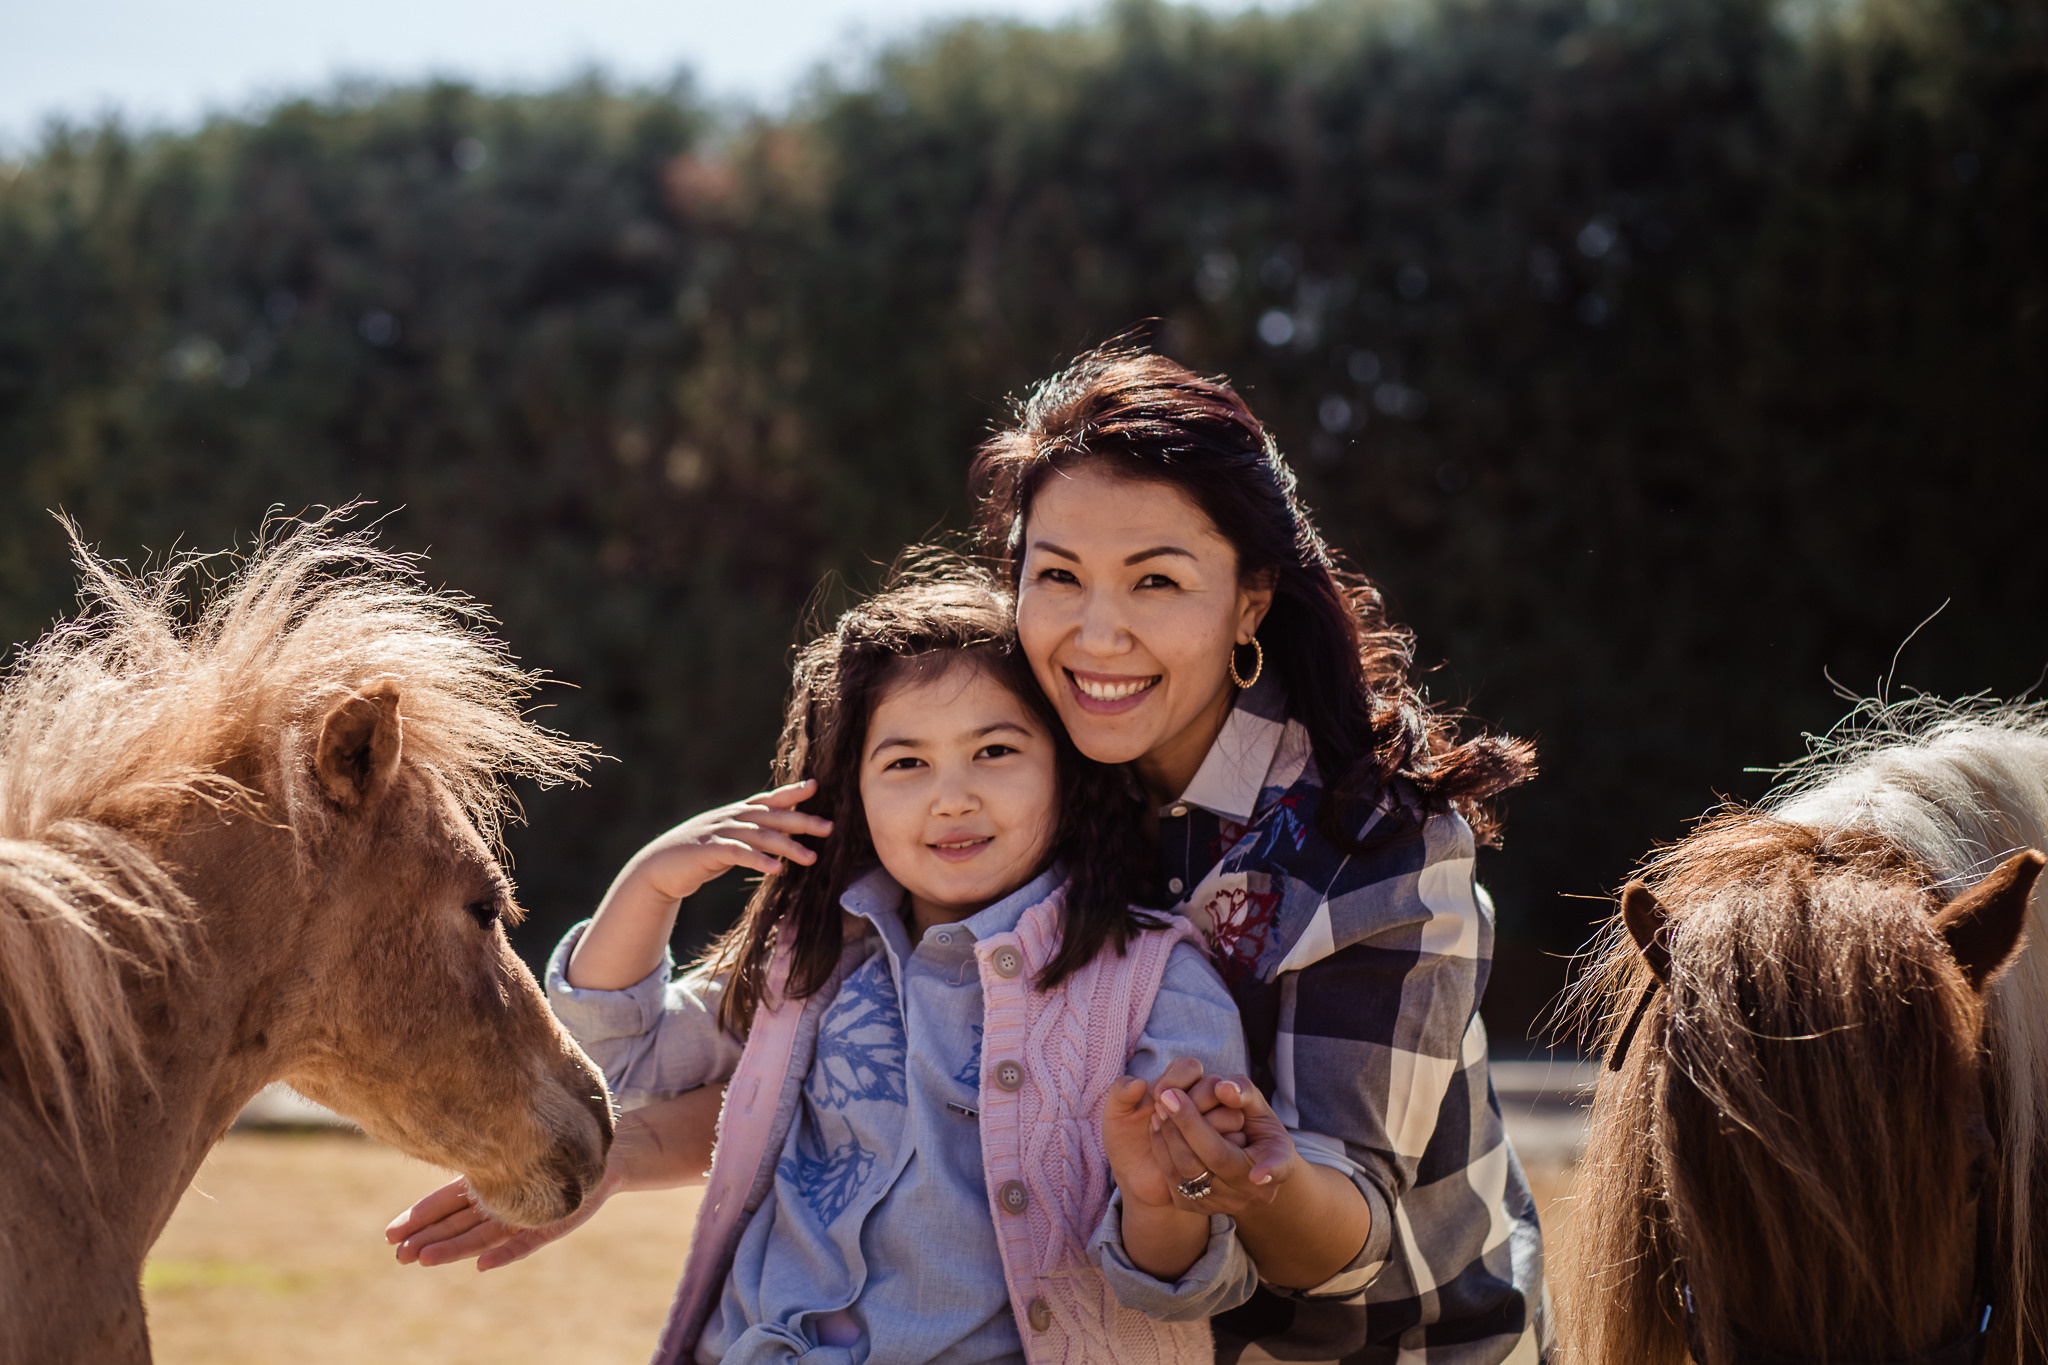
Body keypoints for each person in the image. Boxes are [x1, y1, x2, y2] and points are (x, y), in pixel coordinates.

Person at [389, 562, 1258, 1364]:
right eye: (905, 763)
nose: (952, 794)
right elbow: (627, 1054)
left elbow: (1182, 1278)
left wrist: (1159, 1200)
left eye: (995, 751)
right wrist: (652, 879)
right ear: (854, 794)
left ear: (1067, 772)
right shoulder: (816, 963)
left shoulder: (1155, 981)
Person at [970, 345, 1548, 1363]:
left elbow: (1351, 1235)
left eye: (1154, 581)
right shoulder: (1004, 780)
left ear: (1249, 601)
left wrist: (1256, 1182)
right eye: (1055, 574)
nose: (1094, 634)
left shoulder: (1376, 838)